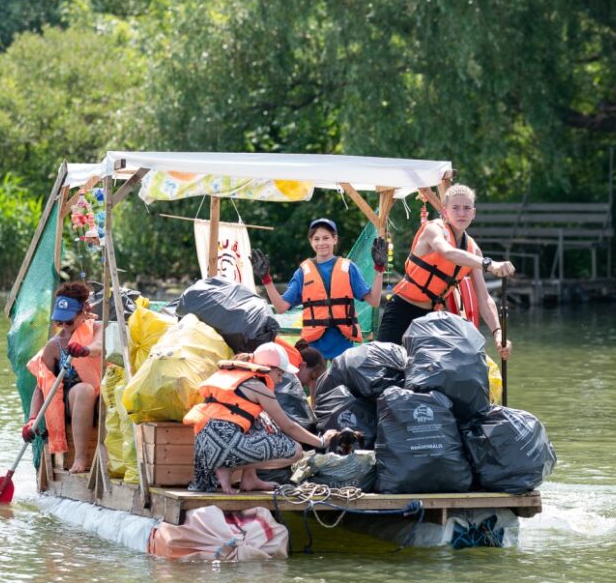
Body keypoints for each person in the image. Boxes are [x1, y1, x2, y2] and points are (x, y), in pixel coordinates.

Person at [375, 184, 515, 359]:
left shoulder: (474, 250)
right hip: (401, 309)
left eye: (466, 208)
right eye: (455, 208)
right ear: (445, 211)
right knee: (385, 366)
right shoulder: (433, 230)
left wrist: (498, 334)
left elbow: (484, 298)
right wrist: (488, 264)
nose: (461, 213)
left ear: (474, 213)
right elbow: (448, 253)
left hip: (431, 318)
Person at [185, 342, 339, 493]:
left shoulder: (232, 376)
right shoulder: (258, 387)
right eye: (279, 374)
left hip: (202, 451)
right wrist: (321, 442)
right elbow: (288, 426)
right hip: (223, 449)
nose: (280, 380)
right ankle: (226, 468)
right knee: (296, 451)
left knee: (261, 420)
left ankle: (249, 479)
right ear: (268, 368)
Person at [251, 218, 387, 360]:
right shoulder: (303, 272)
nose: (321, 243)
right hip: (314, 351)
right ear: (311, 242)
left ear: (335, 240)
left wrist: (379, 270)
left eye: (326, 238)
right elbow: (280, 307)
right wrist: (266, 279)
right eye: (316, 239)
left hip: (343, 348)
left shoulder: (348, 268)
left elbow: (374, 300)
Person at [24, 281, 103, 474]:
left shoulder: (98, 328)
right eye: (60, 322)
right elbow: (40, 387)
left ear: (84, 311)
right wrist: (32, 419)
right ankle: (80, 459)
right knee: (84, 390)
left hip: (101, 394)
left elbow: (100, 346)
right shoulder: (54, 345)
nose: (65, 327)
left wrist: (85, 350)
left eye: (69, 321)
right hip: (72, 401)